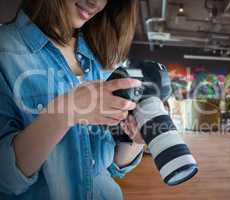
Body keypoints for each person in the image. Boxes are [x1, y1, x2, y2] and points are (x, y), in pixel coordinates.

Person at [0, 0, 145, 199]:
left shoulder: (101, 58)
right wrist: (65, 112)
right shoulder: (5, 50)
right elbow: (6, 179)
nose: (95, 3)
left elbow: (112, 167)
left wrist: (136, 138)